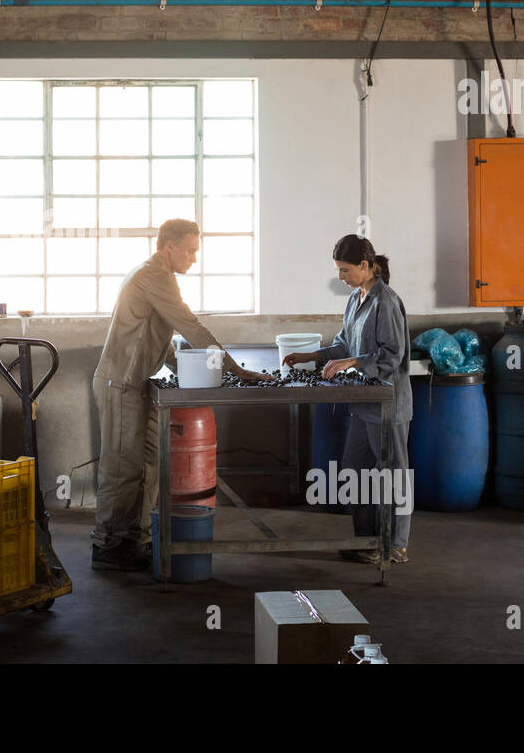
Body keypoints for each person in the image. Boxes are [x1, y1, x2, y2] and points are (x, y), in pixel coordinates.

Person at [91, 218, 267, 571]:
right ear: (168, 245)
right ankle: (107, 545)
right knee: (123, 469)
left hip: (142, 384)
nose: (193, 259)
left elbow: (163, 338)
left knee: (150, 466)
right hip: (121, 384)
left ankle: (136, 538)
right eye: (189, 250)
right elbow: (191, 326)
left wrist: (183, 366)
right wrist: (235, 369)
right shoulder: (152, 275)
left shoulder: (163, 279)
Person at [283, 234, 413, 564]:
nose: (341, 277)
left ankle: (395, 544)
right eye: (339, 271)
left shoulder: (387, 302)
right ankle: (368, 540)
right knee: (355, 468)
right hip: (363, 402)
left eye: (345, 270)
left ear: (366, 266)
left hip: (387, 404)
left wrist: (353, 362)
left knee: (392, 474)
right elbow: (344, 344)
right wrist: (310, 355)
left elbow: (392, 355)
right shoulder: (356, 299)